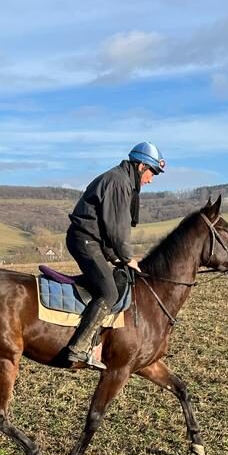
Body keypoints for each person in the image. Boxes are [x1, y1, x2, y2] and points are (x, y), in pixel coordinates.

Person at [65, 141, 165, 369]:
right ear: (141, 166)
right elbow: (116, 228)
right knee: (109, 292)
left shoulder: (121, 180)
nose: (150, 180)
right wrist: (128, 257)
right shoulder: (119, 182)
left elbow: (107, 228)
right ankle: (78, 348)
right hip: (85, 240)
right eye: (152, 173)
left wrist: (118, 258)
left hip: (95, 240)